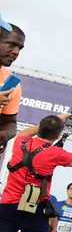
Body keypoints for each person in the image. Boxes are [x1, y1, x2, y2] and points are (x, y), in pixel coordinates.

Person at [0, 22, 26, 156]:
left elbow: (10, 123)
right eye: (11, 45)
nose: (16, 52)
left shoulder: (11, 83)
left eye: (20, 48)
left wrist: (4, 134)